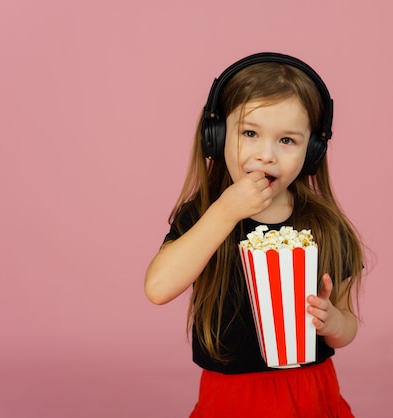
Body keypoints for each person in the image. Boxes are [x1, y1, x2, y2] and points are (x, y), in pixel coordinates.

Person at [145, 52, 365, 417]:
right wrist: (226, 211)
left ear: (312, 151)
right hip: (230, 398)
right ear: (215, 137)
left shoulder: (325, 225)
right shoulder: (204, 217)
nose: (266, 155)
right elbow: (158, 288)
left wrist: (333, 322)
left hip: (309, 395)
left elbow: (346, 326)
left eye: (288, 141)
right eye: (249, 133)